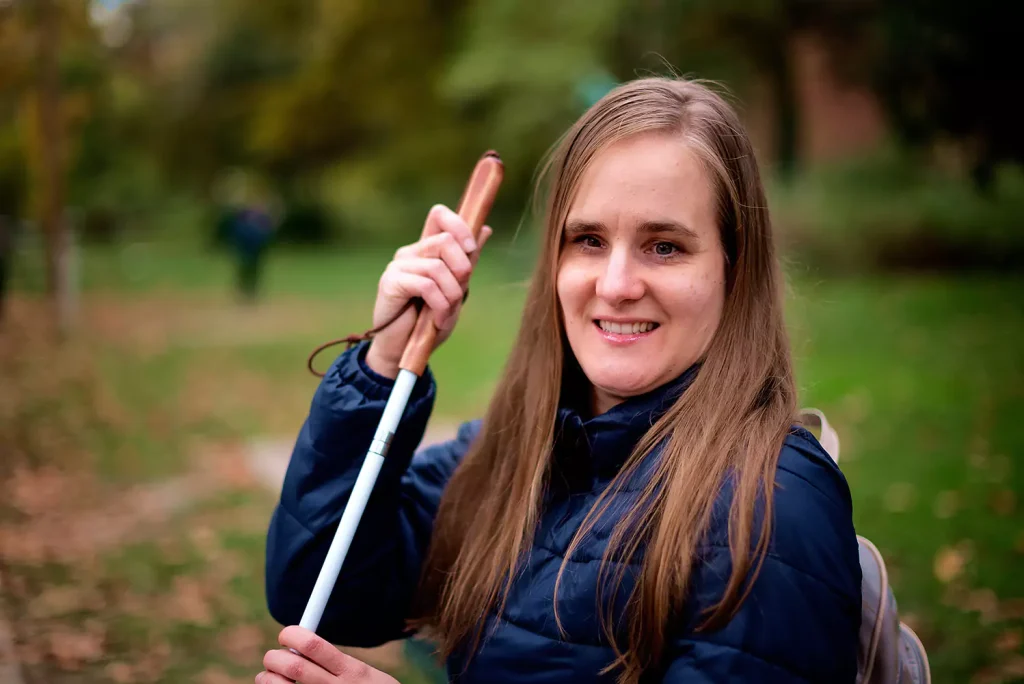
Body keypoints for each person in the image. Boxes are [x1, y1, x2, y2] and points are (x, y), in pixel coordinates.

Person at [258, 78, 862, 684]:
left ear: (735, 269)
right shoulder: (512, 456)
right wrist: (384, 361)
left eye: (666, 246)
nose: (617, 284)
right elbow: (321, 592)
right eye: (590, 241)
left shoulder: (772, 504)